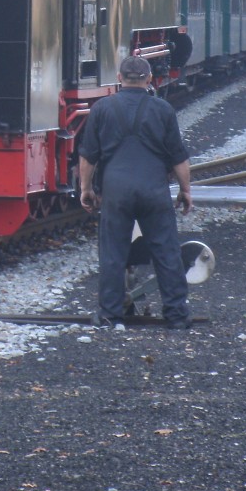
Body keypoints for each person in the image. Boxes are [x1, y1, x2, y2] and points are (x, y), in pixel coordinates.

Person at [78, 53, 193, 329]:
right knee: (166, 252)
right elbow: (179, 157)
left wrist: (86, 188)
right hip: (154, 190)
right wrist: (186, 190)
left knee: (113, 253)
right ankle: (176, 315)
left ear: (119, 79)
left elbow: (88, 156)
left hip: (116, 191)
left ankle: (110, 315)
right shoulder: (163, 109)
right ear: (149, 79)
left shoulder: (102, 109)